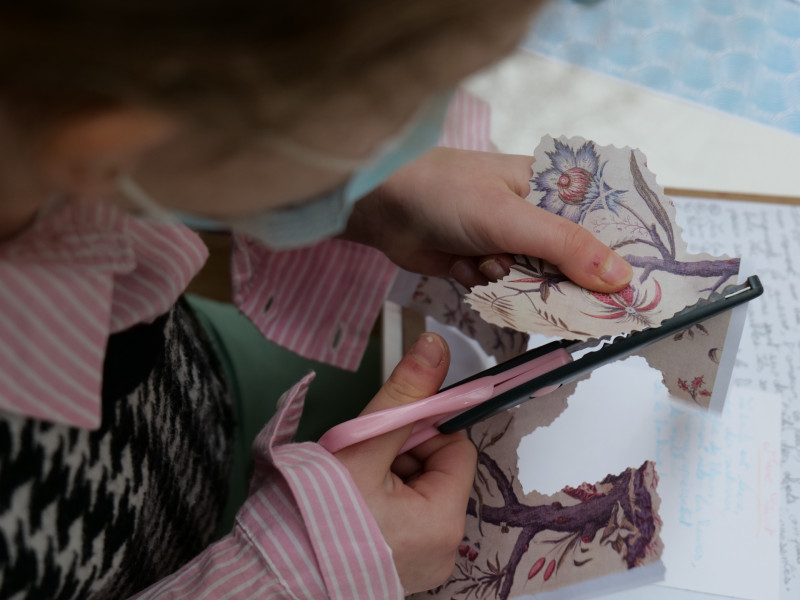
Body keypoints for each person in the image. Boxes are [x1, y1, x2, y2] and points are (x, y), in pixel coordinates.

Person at [0, 1, 633, 598]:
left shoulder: (46, 114)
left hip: (195, 406)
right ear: (109, 143)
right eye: (396, 111)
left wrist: (371, 192)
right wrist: (299, 572)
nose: (418, 131)